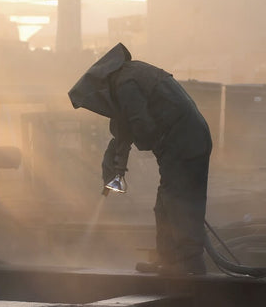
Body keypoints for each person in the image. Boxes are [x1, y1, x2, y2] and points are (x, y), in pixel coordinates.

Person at [68, 43, 212, 275]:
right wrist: (117, 164)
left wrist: (127, 148)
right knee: (165, 204)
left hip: (185, 140)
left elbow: (141, 127)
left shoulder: (126, 84)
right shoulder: (128, 77)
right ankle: (168, 260)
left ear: (102, 84)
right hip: (184, 140)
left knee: (179, 202)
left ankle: (188, 264)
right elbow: (125, 129)